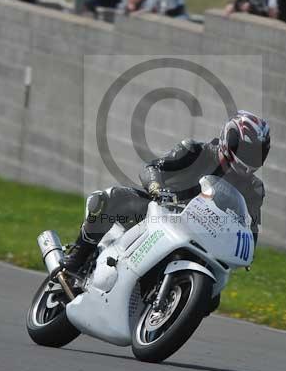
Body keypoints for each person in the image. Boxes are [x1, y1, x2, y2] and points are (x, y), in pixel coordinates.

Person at [62, 111, 271, 272]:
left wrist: (245, 250)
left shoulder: (254, 189)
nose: (248, 157)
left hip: (203, 238)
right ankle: (78, 257)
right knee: (111, 199)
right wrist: (157, 189)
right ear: (229, 137)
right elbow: (152, 168)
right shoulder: (194, 151)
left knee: (212, 298)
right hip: (160, 212)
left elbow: (250, 229)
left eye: (254, 153)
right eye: (244, 148)